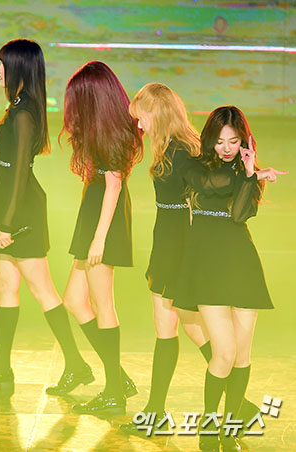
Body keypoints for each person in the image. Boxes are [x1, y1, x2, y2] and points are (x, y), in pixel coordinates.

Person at [120, 85, 260, 438]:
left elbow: (211, 186)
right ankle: (237, 403)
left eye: (141, 117)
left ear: (157, 113)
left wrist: (249, 175)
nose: (139, 125)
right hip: (170, 239)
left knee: (171, 327)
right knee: (186, 326)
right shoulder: (172, 146)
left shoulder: (181, 151)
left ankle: (158, 414)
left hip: (180, 243)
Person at [0, 39, 91, 397]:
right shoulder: (20, 107)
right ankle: (1, 369)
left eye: (3, 64)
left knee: (43, 290)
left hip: (19, 210)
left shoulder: (23, 113)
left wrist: (6, 223)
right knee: (6, 287)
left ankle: (76, 364)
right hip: (8, 203)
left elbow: (20, 171)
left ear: (19, 68)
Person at [173, 106, 285, 452]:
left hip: (241, 264)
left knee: (242, 355)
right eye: (220, 141)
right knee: (223, 353)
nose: (225, 148)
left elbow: (239, 215)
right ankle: (208, 428)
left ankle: (230, 428)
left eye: (233, 142)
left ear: (243, 141)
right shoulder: (195, 166)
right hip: (208, 266)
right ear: (210, 139)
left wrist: (250, 174)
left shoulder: (244, 173)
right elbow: (211, 183)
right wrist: (251, 175)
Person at [59, 61, 142, 415]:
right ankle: (117, 378)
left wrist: (99, 239)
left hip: (104, 222)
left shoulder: (110, 132)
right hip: (93, 215)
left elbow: (114, 184)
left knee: (103, 305)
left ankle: (114, 392)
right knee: (74, 301)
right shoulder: (102, 128)